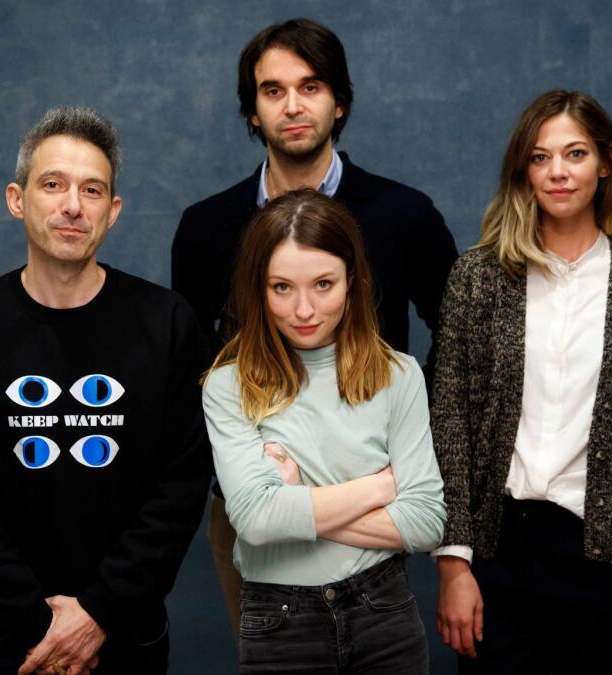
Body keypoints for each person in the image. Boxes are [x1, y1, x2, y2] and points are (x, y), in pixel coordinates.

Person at [172, 16, 458, 631]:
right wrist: (246, 471)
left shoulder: (404, 215)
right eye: (272, 91)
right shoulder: (206, 227)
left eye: (311, 86)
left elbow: (458, 337)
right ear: (252, 111)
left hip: (378, 496)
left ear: (340, 102)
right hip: (255, 499)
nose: (293, 105)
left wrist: (406, 436)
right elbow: (191, 363)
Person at [0, 107, 212, 675]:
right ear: (17, 199)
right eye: (53, 184)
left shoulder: (168, 326)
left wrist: (97, 612)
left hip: (125, 633)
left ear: (114, 211)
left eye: (92, 189)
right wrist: (39, 626)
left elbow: (179, 491)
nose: (73, 205)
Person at [431, 90, 612, 673]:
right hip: (497, 550)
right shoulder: (477, 279)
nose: (557, 172)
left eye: (575, 153)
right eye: (540, 157)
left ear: (607, 162)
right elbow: (449, 422)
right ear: (522, 170)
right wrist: (454, 564)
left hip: (608, 554)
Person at [202, 189, 447, 673]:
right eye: (282, 288)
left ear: (351, 282)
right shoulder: (228, 386)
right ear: (258, 288)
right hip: (279, 623)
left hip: (384, 614)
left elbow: (424, 524)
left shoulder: (398, 376)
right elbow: (255, 521)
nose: (304, 310)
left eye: (323, 284)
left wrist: (297, 503)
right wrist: (381, 487)